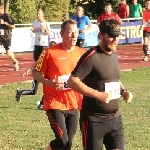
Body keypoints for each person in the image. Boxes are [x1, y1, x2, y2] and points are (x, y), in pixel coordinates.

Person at [67, 18, 133, 150]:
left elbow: (112, 78)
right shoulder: (92, 56)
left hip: (115, 118)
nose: (115, 40)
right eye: (111, 36)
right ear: (100, 35)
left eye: (117, 36)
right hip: (93, 120)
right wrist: (98, 95)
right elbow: (72, 81)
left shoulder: (114, 55)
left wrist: (124, 91)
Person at [32, 19, 86, 150]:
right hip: (54, 103)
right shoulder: (49, 52)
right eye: (70, 32)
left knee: (69, 144)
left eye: (76, 32)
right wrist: (48, 82)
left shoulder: (82, 54)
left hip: (73, 103)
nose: (74, 35)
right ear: (62, 33)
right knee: (62, 140)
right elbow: (35, 72)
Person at [15, 9, 51, 107]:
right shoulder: (34, 23)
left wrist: (44, 29)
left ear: (43, 15)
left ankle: (42, 103)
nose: (38, 15)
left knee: (47, 78)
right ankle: (40, 102)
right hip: (37, 45)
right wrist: (34, 30)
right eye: (37, 14)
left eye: (39, 14)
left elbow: (49, 34)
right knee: (37, 63)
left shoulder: (46, 23)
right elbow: (34, 31)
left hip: (43, 45)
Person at [0, 3, 19, 71]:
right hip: (0, 35)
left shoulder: (7, 16)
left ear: (1, 8)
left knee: (8, 52)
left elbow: (13, 26)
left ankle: (15, 61)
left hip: (6, 36)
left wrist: (5, 23)